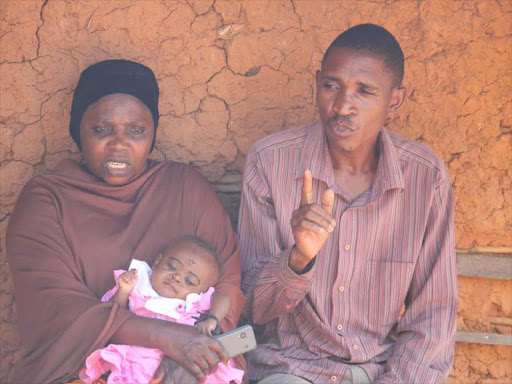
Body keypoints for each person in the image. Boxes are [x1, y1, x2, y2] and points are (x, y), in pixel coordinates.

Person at [239, 24, 457, 384]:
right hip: (290, 368)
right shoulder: (271, 161)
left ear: (395, 100)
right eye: (331, 86)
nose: (342, 106)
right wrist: (298, 259)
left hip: (378, 371)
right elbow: (253, 307)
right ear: (316, 83)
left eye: (364, 91)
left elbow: (433, 314)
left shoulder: (424, 176)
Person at [7, 59, 246, 384]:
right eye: (102, 129)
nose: (119, 144)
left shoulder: (186, 189)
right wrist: (169, 339)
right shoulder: (47, 200)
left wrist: (189, 359)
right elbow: (58, 311)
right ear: (78, 129)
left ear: (153, 133)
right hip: (82, 373)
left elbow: (228, 286)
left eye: (136, 130)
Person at [80, 235, 244, 384]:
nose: (177, 277)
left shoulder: (193, 302)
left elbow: (222, 298)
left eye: (190, 280)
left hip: (181, 368)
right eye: (172, 266)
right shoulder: (139, 284)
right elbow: (113, 316)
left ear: (201, 291)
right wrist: (123, 291)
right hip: (134, 362)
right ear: (158, 261)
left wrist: (212, 318)